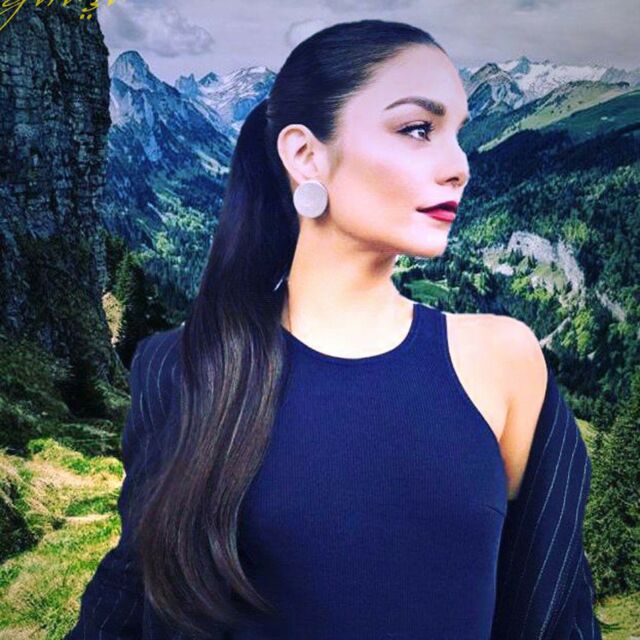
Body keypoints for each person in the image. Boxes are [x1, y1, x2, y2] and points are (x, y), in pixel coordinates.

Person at [65, 18, 602, 640]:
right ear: (306, 155)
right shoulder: (179, 368)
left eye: (459, 133)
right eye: (418, 129)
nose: (460, 166)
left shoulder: (505, 360)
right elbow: (133, 592)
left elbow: (556, 610)